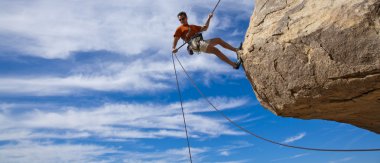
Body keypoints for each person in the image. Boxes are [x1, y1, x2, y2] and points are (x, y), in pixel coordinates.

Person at [172, 11, 242, 69]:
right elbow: (176, 38)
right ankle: (234, 65)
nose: (181, 21)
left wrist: (209, 18)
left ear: (186, 18)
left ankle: (236, 50)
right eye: (180, 20)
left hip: (200, 41)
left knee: (218, 40)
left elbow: (205, 28)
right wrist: (173, 47)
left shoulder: (192, 26)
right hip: (194, 44)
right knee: (216, 50)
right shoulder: (179, 29)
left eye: (183, 19)